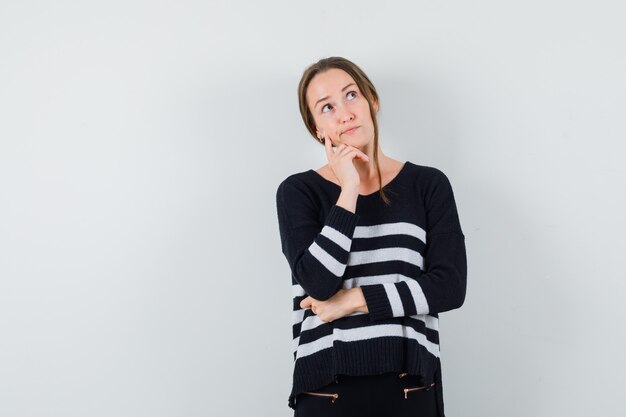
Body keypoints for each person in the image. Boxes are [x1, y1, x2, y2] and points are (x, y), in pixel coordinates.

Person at [275, 56, 467, 417]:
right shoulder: (298, 192)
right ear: (317, 128)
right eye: (327, 107)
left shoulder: (428, 186)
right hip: (326, 394)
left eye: (351, 96)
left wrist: (354, 300)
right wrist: (348, 189)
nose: (344, 113)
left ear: (371, 101)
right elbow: (318, 282)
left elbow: (449, 287)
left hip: (409, 388)